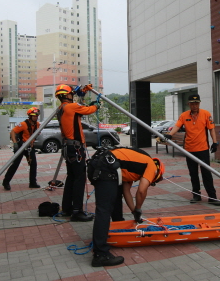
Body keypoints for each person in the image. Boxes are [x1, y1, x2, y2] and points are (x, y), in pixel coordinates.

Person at [89, 147, 165, 267]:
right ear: (157, 173)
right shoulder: (151, 166)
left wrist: (134, 211)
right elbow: (141, 191)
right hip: (105, 167)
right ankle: (100, 255)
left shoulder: (134, 167)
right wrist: (139, 208)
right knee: (104, 210)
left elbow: (126, 191)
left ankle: (118, 227)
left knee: (116, 197)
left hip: (103, 164)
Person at [165, 93, 220, 205]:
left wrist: (215, 142)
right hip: (189, 149)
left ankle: (212, 197)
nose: (194, 106)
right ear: (188, 104)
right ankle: (196, 195)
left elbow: (211, 129)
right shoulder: (184, 115)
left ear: (199, 103)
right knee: (193, 173)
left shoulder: (206, 114)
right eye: (192, 104)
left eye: (196, 103)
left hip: (203, 149)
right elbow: (177, 126)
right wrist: (170, 135)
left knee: (206, 173)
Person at [56, 84, 100, 222]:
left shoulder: (61, 108)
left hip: (68, 147)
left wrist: (83, 95)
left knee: (71, 178)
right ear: (67, 95)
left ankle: (67, 209)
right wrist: (96, 105)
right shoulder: (71, 107)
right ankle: (77, 211)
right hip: (75, 148)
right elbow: (88, 110)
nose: (72, 96)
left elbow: (79, 109)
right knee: (79, 178)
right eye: (71, 94)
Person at [3, 107, 41, 190]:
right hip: (21, 146)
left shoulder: (37, 125)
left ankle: (33, 183)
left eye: (37, 116)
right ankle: (6, 182)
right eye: (34, 116)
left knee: (33, 164)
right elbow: (13, 132)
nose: (36, 117)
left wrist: (32, 143)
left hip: (29, 147)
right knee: (15, 164)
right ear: (30, 116)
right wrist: (15, 143)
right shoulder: (23, 124)